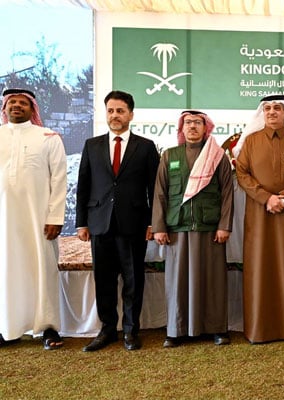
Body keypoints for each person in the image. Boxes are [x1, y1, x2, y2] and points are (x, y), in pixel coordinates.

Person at [76, 90, 160, 351]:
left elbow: (154, 189)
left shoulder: (145, 147)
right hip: (99, 223)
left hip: (133, 224)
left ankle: (131, 331)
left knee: (134, 279)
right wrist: (81, 222)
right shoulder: (92, 145)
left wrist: (152, 223)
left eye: (120, 111)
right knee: (104, 280)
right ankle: (107, 329)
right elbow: (83, 185)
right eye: (111, 110)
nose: (115, 115)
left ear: (131, 115)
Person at [235, 94, 284, 343]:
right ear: (262, 113)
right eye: (267, 108)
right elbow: (243, 173)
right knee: (260, 267)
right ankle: (259, 330)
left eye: (277, 108)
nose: (271, 112)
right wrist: (266, 198)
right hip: (259, 215)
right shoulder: (251, 141)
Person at [152, 110, 234, 347]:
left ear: (206, 127)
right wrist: (159, 227)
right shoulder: (170, 156)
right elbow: (160, 193)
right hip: (178, 228)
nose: (192, 127)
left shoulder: (218, 156)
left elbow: (227, 194)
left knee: (213, 281)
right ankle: (176, 330)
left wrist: (224, 225)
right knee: (178, 282)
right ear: (181, 128)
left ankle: (217, 329)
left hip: (210, 229)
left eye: (197, 123)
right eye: (188, 123)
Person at [0, 88, 67, 350]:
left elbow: (59, 179)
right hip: (4, 220)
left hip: (39, 219)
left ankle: (47, 328)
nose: (17, 106)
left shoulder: (48, 137)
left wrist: (55, 217)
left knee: (43, 268)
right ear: (4, 108)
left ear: (32, 109)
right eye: (12, 102)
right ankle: (8, 327)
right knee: (6, 269)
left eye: (23, 103)